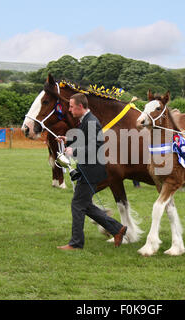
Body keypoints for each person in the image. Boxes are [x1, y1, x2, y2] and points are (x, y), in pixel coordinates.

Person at [56, 93, 127, 251]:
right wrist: (67, 140)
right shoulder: (86, 121)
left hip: (91, 170)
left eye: (72, 106)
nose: (70, 109)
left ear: (80, 107)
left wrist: (72, 151)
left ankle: (76, 243)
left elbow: (94, 148)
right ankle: (117, 229)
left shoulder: (91, 122)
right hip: (88, 169)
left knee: (77, 204)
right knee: (84, 204)